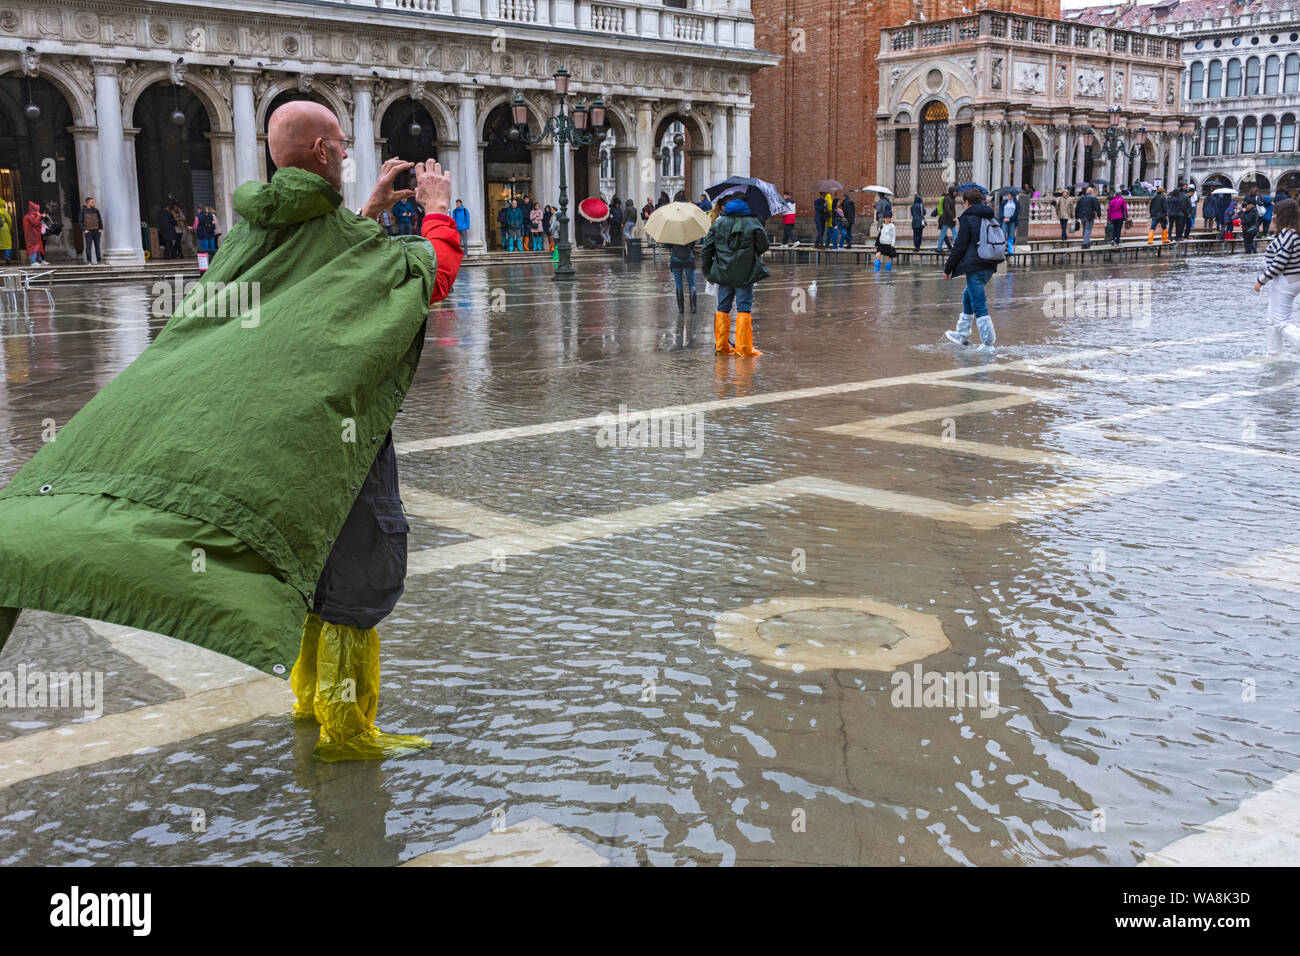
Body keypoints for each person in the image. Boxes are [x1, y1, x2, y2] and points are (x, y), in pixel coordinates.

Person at [0, 101, 464, 761]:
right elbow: (430, 276)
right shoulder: (344, 239)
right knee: (358, 569)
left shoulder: (251, 234)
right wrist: (438, 207)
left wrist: (367, 211)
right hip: (338, 431)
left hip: (277, 437)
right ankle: (346, 729)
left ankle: (308, 701)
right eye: (343, 143)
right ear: (328, 152)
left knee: (310, 556)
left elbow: (324, 260)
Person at [702, 197, 769, 357]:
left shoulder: (718, 224)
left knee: (723, 307)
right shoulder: (753, 223)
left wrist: (708, 272)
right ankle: (744, 348)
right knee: (743, 308)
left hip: (723, 273)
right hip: (745, 273)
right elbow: (764, 245)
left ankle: (722, 346)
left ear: (727, 209)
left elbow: (707, 250)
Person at [941, 187, 1002, 353]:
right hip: (990, 264)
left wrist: (948, 268)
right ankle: (961, 334)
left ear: (967, 203)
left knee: (979, 304)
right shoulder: (990, 216)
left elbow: (959, 247)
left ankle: (988, 344)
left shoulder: (968, 219)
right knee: (968, 295)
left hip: (975, 267)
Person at [1253, 198, 1300, 355]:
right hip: (1292, 278)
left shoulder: (1288, 235)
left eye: (1275, 213)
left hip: (1286, 279)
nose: (1273, 216)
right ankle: (1273, 354)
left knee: (1281, 321)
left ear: (1282, 216)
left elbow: (1279, 263)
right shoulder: (1294, 233)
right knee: (1272, 320)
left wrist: (1261, 280)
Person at [667, 239, 698, 348]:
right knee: (692, 284)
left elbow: (667, 245)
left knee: (678, 284)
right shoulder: (689, 231)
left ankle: (681, 309)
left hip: (675, 260)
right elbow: (694, 243)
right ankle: (693, 308)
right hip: (688, 259)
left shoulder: (671, 232)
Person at [79, 197, 104, 264]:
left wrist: (100, 228)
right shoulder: (83, 211)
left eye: (93, 202)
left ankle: (99, 260)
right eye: (92, 202)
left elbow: (100, 220)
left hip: (96, 231)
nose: (93, 203)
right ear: (88, 203)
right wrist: (84, 230)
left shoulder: (96, 210)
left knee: (98, 247)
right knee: (88, 247)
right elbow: (80, 221)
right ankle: (89, 261)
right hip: (88, 231)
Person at [936, 186, 958, 252]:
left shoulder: (952, 198)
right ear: (952, 191)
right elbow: (947, 209)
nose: (956, 193)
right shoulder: (947, 198)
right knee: (943, 234)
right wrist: (953, 217)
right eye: (955, 191)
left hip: (950, 220)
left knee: (955, 233)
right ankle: (939, 248)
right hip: (946, 220)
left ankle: (956, 247)